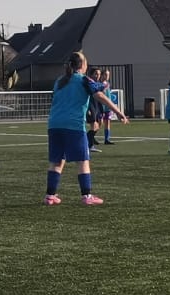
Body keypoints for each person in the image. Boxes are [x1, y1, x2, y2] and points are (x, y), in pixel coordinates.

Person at [44, 51, 126, 204]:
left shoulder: (59, 81)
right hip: (73, 125)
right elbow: (100, 96)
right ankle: (87, 196)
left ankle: (50, 196)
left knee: (57, 160)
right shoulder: (83, 80)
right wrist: (118, 112)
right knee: (83, 160)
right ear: (82, 65)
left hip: (54, 124)